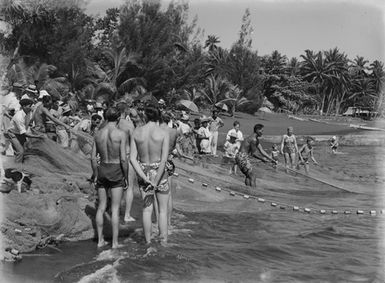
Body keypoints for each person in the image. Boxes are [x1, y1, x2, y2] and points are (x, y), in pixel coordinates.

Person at [130, 106, 170, 245]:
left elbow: (132, 159)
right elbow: (164, 160)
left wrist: (145, 177)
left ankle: (148, 242)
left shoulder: (136, 132)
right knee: (163, 210)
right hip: (159, 172)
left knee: (147, 210)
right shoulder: (163, 133)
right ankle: (163, 241)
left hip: (143, 171)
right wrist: (156, 180)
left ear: (145, 116)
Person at [91, 107, 128, 249]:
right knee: (115, 208)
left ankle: (100, 240)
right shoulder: (121, 134)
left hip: (102, 169)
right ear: (118, 118)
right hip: (116, 169)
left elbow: (93, 158)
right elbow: (124, 159)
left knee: (101, 207)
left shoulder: (98, 134)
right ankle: (115, 243)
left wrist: (95, 174)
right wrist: (126, 177)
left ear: (105, 118)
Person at [5, 95, 44, 162]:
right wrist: (37, 136)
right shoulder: (19, 116)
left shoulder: (28, 113)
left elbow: (28, 124)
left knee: (26, 150)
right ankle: (16, 169)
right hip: (13, 134)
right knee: (20, 152)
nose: (32, 107)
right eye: (30, 106)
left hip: (20, 133)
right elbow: (24, 133)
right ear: (24, 107)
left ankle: (20, 166)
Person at [116, 101, 136, 223]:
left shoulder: (111, 124)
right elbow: (134, 142)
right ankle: (127, 215)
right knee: (129, 187)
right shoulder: (129, 125)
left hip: (113, 157)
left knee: (115, 186)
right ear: (126, 111)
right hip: (127, 156)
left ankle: (114, 212)